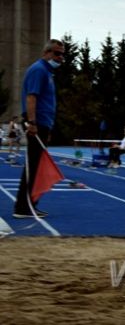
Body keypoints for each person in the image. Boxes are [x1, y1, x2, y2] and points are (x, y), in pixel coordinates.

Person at [13, 39, 64, 219]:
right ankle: (22, 207)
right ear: (46, 53)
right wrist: (33, 123)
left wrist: (46, 128)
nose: (60, 58)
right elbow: (31, 98)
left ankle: (30, 204)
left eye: (62, 54)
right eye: (57, 53)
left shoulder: (47, 73)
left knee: (36, 166)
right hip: (36, 124)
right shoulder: (39, 70)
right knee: (32, 166)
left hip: (42, 125)